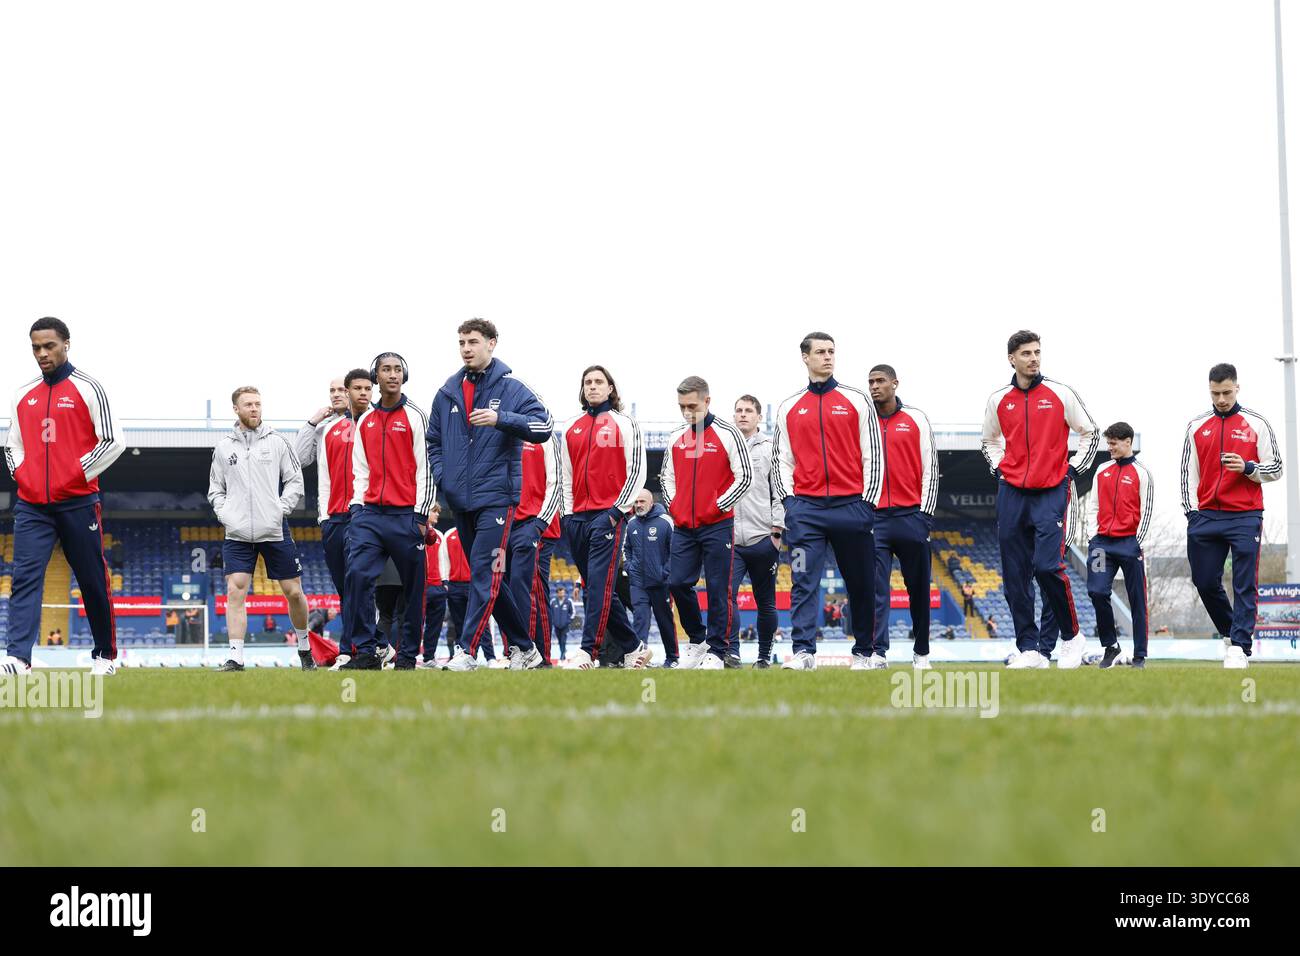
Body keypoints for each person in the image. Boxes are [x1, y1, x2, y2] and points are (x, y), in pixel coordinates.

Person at [426, 319, 552, 672]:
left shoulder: (513, 388)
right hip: (460, 501)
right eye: (462, 342)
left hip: (497, 497)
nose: (466, 348)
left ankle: (466, 652)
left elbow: (544, 426)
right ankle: (525, 649)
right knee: (492, 579)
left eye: (474, 342)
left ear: (492, 344)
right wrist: (442, 475)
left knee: (483, 572)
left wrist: (501, 419)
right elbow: (433, 441)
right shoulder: (447, 392)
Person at [2, 317, 123, 677]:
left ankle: (105, 656)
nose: (42, 353)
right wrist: (25, 477)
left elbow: (113, 441)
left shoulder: (89, 388)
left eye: (49, 346)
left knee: (91, 579)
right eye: (36, 347)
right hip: (32, 505)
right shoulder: (23, 394)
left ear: (66, 343)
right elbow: (13, 446)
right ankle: (19, 657)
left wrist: (75, 475)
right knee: (23, 576)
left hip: (78, 502)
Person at [981, 330, 1097, 670]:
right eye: (1026, 353)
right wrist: (1000, 470)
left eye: (1037, 352)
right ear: (1012, 359)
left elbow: (1090, 432)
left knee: (1048, 567)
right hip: (1012, 493)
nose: (1033, 358)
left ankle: (1072, 637)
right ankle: (1029, 649)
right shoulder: (998, 400)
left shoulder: (1061, 393)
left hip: (1051, 491)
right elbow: (988, 440)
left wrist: (1072, 470)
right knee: (1015, 576)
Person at [773, 332, 881, 671]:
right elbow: (782, 461)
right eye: (820, 351)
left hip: (852, 508)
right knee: (803, 581)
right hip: (806, 511)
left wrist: (868, 504)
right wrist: (791, 503)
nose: (827, 356)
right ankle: (804, 652)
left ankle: (864, 652)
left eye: (832, 351)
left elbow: (873, 455)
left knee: (861, 584)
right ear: (805, 357)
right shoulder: (789, 407)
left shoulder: (857, 400)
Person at [1180, 363, 1283, 669]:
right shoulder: (1196, 426)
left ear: (1237, 387)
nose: (1221, 399)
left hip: (1245, 515)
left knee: (1243, 583)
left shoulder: (1257, 423)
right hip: (1206, 517)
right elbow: (1188, 474)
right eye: (1215, 393)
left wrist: (1249, 468)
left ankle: (1239, 645)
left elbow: (1276, 467)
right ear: (1209, 390)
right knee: (1203, 580)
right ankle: (1230, 632)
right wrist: (1192, 514)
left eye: (1226, 392)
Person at [341, 353, 434, 670]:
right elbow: (360, 470)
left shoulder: (416, 417)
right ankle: (367, 651)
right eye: (385, 370)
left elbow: (426, 468)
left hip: (407, 515)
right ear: (375, 377)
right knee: (357, 576)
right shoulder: (365, 421)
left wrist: (420, 516)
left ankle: (408, 655)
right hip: (370, 516)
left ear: (404, 375)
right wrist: (357, 509)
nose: (392, 374)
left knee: (414, 587)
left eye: (397, 369)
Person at [207, 386, 309, 671]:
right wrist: (225, 514)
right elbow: (216, 489)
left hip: (274, 529)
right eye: (248, 404)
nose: (254, 409)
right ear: (236, 409)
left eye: (258, 404)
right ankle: (236, 657)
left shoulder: (278, 442)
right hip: (237, 533)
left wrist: (280, 509)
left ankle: (304, 649)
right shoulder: (223, 447)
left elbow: (294, 482)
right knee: (235, 590)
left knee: (293, 592)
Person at [557, 364, 650, 669]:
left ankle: (587, 651)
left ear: (610, 388)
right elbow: (565, 475)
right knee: (597, 587)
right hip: (576, 519)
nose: (593, 386)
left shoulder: (625, 424)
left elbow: (637, 470)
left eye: (599, 381)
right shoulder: (571, 427)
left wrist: (616, 512)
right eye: (588, 382)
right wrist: (568, 515)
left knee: (597, 586)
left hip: (608, 516)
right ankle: (635, 647)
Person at [660, 376, 752, 670]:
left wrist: (718, 505)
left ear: (707, 401)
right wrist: (675, 507)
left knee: (717, 589)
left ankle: (717, 649)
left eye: (692, 406)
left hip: (717, 525)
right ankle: (698, 640)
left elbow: (745, 476)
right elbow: (666, 478)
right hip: (685, 526)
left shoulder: (728, 434)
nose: (687, 412)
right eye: (681, 407)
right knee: (676, 582)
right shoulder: (676, 437)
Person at [295, 369, 373, 663]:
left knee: (357, 584)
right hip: (332, 517)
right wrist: (311, 422)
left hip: (362, 514)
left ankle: (350, 648)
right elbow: (300, 459)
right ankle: (374, 643)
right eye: (333, 391)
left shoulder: (371, 422)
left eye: (342, 389)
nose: (337, 394)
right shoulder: (325, 429)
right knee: (344, 587)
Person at [868, 364, 939, 670]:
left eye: (880, 381)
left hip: (912, 517)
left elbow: (930, 469)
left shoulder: (916, 419)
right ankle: (877, 653)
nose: (874, 386)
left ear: (895, 383)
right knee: (874, 589)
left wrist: (925, 516)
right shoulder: (863, 422)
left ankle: (921, 653)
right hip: (874, 519)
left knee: (919, 589)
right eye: (870, 382)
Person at [1082, 422, 1154, 670]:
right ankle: (1111, 646)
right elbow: (1092, 507)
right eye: (1108, 443)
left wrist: (1138, 542)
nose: (1110, 447)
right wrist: (1093, 538)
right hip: (1102, 545)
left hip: (1129, 545)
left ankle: (1140, 656)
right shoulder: (1102, 470)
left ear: (1128, 442)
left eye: (1113, 443)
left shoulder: (1142, 473)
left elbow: (1147, 511)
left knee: (1137, 600)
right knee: (1097, 591)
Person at [728, 394, 785, 670]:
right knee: (726, 596)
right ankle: (732, 653)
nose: (742, 415)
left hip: (763, 537)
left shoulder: (772, 449)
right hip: (730, 540)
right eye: (738, 410)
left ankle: (764, 657)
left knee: (766, 602)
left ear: (759, 417)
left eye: (748, 410)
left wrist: (776, 531)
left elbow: (781, 490)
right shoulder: (725, 446)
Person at [509, 430, 563, 666]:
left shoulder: (545, 437)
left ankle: (539, 654)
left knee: (533, 590)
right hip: (509, 525)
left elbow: (556, 481)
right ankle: (523, 651)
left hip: (537, 525)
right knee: (512, 591)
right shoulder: (505, 432)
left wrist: (540, 523)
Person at [625, 489, 678, 667]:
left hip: (660, 583)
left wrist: (666, 572)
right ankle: (640, 660)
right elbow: (627, 550)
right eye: (636, 502)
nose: (638, 505)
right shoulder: (631, 524)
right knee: (640, 619)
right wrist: (630, 568)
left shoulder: (665, 521)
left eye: (642, 502)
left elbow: (675, 550)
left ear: (651, 502)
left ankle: (672, 658)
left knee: (665, 621)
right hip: (638, 583)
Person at [417, 505, 451, 668]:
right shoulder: (416, 530)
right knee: (415, 623)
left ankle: (429, 657)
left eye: (438, 511)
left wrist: (444, 583)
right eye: (434, 511)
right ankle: (408, 655)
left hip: (437, 586)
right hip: (421, 586)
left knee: (435, 625)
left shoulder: (439, 535)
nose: (437, 514)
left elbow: (443, 559)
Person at [443, 525, 473, 659]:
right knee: (457, 623)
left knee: (478, 623)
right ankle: (461, 654)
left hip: (472, 584)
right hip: (454, 585)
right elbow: (444, 559)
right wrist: (445, 581)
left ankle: (489, 657)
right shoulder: (449, 534)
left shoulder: (474, 531)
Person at [550, 586, 575, 660]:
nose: (562, 594)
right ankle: (563, 652)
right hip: (556, 626)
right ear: (557, 593)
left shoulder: (569, 601)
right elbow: (550, 612)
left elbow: (573, 612)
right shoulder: (553, 601)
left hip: (565, 626)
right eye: (560, 593)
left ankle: (562, 655)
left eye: (563, 592)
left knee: (563, 640)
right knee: (559, 641)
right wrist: (553, 621)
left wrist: (568, 621)